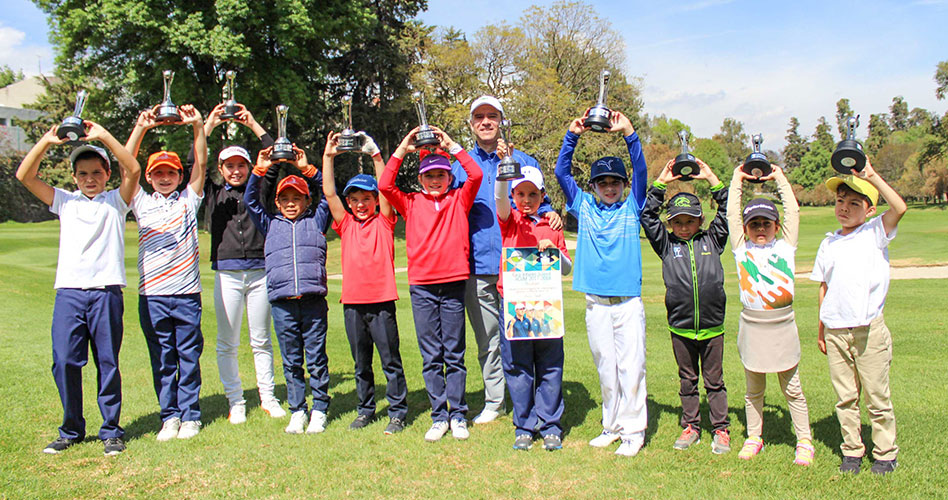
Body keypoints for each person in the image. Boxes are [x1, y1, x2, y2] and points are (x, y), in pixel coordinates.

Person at [16, 122, 140, 456]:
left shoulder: (116, 201)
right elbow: (25, 176)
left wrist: (103, 137)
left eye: (96, 172)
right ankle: (71, 429)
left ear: (106, 174)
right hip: (69, 293)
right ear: (73, 177)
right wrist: (46, 140)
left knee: (107, 363)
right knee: (65, 361)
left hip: (105, 293)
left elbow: (134, 168)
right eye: (83, 173)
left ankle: (111, 430)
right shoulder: (65, 202)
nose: (90, 178)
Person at [451, 96, 562, 424]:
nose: (486, 122)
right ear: (472, 123)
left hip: (523, 267)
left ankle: (530, 403)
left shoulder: (523, 159)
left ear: (501, 121)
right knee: (488, 339)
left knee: (527, 336)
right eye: (479, 117)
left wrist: (551, 213)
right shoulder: (460, 164)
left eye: (492, 116)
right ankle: (495, 400)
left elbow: (540, 202)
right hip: (480, 262)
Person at [554, 109, 648, 457]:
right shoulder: (584, 207)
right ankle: (612, 425)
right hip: (596, 303)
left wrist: (630, 133)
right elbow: (561, 171)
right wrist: (572, 135)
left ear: (623, 186)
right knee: (606, 367)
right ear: (593, 186)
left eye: (615, 182)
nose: (610, 187)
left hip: (626, 302)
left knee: (631, 368)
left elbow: (640, 170)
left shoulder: (632, 207)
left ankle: (634, 431)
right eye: (603, 183)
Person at [379, 126, 482, 442]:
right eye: (429, 176)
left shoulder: (458, 199)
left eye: (441, 175)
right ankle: (439, 416)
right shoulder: (409, 202)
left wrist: (452, 146)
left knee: (454, 352)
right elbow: (385, 183)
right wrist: (402, 149)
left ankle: (458, 414)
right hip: (422, 286)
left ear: (449, 177)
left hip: (452, 284)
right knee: (431, 355)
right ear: (420, 179)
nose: (435, 180)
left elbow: (475, 175)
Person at [810, 160, 907, 476]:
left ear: (868, 210)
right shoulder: (829, 242)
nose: (844, 208)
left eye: (854, 203)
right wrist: (822, 330)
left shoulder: (875, 232)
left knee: (877, 397)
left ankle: (885, 454)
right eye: (840, 201)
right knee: (845, 398)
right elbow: (825, 287)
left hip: (868, 330)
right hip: (836, 330)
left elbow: (900, 207)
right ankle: (852, 451)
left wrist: (872, 177)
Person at [125, 104, 208, 440]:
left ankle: (190, 416)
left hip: (186, 294)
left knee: (188, 357)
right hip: (153, 296)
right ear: (149, 176)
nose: (164, 178)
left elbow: (201, 163)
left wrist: (199, 126)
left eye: (170, 173)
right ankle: (169, 415)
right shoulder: (140, 201)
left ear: (178, 176)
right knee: (162, 359)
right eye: (158, 173)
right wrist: (140, 128)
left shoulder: (189, 200)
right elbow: (125, 166)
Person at [200, 103, 286, 424]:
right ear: (221, 169)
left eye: (241, 165)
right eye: (229, 166)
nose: (235, 170)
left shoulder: (260, 190)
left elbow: (275, 154)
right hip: (227, 274)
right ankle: (236, 399)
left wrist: (252, 123)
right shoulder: (211, 193)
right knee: (227, 341)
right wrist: (207, 125)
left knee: (261, 339)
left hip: (261, 272)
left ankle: (268, 397)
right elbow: (193, 161)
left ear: (249, 167)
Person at [321, 130, 408, 435]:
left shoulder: (384, 221)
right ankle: (365, 409)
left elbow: (386, 188)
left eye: (366, 199)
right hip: (353, 305)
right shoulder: (345, 224)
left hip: (382, 302)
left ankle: (397, 412)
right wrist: (328, 157)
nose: (360, 204)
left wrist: (376, 156)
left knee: (390, 361)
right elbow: (330, 194)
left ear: (374, 200)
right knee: (361, 365)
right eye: (355, 200)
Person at [642, 159, 731, 454]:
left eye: (689, 221)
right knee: (688, 379)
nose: (683, 226)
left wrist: (711, 178)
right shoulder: (667, 245)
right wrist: (660, 182)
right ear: (670, 223)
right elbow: (647, 215)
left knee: (714, 381)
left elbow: (729, 209)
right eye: (677, 221)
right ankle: (691, 425)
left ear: (700, 220)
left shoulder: (713, 240)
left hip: (712, 327)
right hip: (680, 327)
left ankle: (721, 429)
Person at [726, 165, 813, 465]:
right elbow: (731, 215)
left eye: (766, 223)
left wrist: (779, 177)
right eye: (754, 224)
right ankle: (754, 437)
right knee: (754, 390)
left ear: (776, 226)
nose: (760, 228)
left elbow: (794, 212)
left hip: (782, 326)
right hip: (753, 326)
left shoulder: (786, 247)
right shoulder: (742, 249)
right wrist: (738, 178)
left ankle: (804, 441)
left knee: (793, 389)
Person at [245, 146, 331, 435]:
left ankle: (319, 408)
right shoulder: (269, 224)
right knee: (292, 360)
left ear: (307, 200)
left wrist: (308, 170)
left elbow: (329, 195)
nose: (291, 203)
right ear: (278, 202)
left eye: (297, 197)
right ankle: (298, 410)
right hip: (282, 303)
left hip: (313, 301)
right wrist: (259, 171)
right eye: (285, 198)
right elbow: (250, 201)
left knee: (316, 358)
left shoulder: (316, 221)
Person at [495, 165, 572, 451]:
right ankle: (524, 425)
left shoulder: (551, 224)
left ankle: (550, 424)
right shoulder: (509, 219)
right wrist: (505, 166)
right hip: (514, 304)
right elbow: (499, 199)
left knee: (550, 366)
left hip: (545, 304)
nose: (526, 200)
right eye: (520, 193)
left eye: (532, 194)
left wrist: (551, 252)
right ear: (514, 194)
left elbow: (566, 268)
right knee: (518, 367)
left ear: (542, 195)